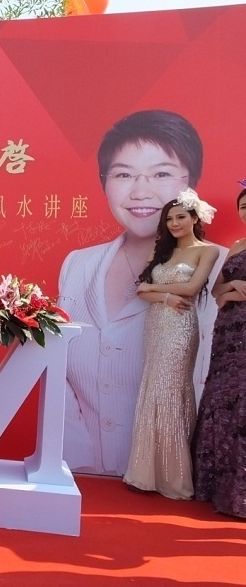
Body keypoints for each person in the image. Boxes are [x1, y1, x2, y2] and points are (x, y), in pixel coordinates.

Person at [58, 110, 226, 475]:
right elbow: (60, 380)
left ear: (191, 183)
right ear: (104, 182)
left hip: (178, 484)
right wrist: (81, 467)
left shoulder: (221, 268)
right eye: (123, 174)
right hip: (80, 480)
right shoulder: (78, 265)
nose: (140, 192)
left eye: (161, 174)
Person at [123, 190, 219, 498]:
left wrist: (153, 290)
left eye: (180, 217)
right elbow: (140, 291)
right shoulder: (161, 251)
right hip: (155, 326)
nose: (175, 223)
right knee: (153, 387)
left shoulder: (207, 251)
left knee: (172, 390)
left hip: (181, 327)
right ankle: (145, 474)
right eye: (169, 219)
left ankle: (173, 479)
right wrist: (163, 296)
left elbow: (192, 287)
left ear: (195, 218)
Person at [191, 187, 246, 518]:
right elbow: (216, 291)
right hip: (227, 333)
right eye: (243, 206)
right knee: (221, 397)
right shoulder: (237, 245)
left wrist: (232, 293)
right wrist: (234, 289)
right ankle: (215, 488)